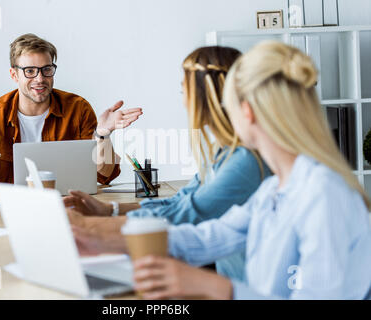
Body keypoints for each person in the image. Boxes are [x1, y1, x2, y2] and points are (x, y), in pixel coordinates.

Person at [73, 41, 371, 299]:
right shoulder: (274, 190)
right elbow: (207, 237)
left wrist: (217, 288)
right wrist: (96, 237)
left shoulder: (324, 196)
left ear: (246, 112)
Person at [65, 46, 270, 281]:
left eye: (184, 91)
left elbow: (187, 214)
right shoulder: (222, 153)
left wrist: (90, 227)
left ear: (207, 95)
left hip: (244, 288)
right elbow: (180, 201)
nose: (183, 101)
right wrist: (108, 210)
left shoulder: (245, 161)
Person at [0, 33, 142, 191]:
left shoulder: (77, 108)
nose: (40, 78)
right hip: (7, 210)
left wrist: (103, 134)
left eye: (46, 69)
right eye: (29, 71)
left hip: (67, 206)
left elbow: (105, 175)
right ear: (14, 75)